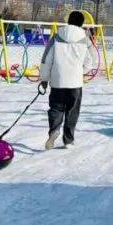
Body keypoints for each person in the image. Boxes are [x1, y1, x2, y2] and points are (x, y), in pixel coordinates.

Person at [38, 11, 93, 150]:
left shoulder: (56, 37)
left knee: (56, 109)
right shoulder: (85, 39)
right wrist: (81, 73)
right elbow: (90, 62)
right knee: (72, 111)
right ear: (81, 23)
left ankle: (54, 130)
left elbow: (46, 60)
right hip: (75, 83)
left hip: (57, 82)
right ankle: (68, 140)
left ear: (68, 21)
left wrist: (45, 79)